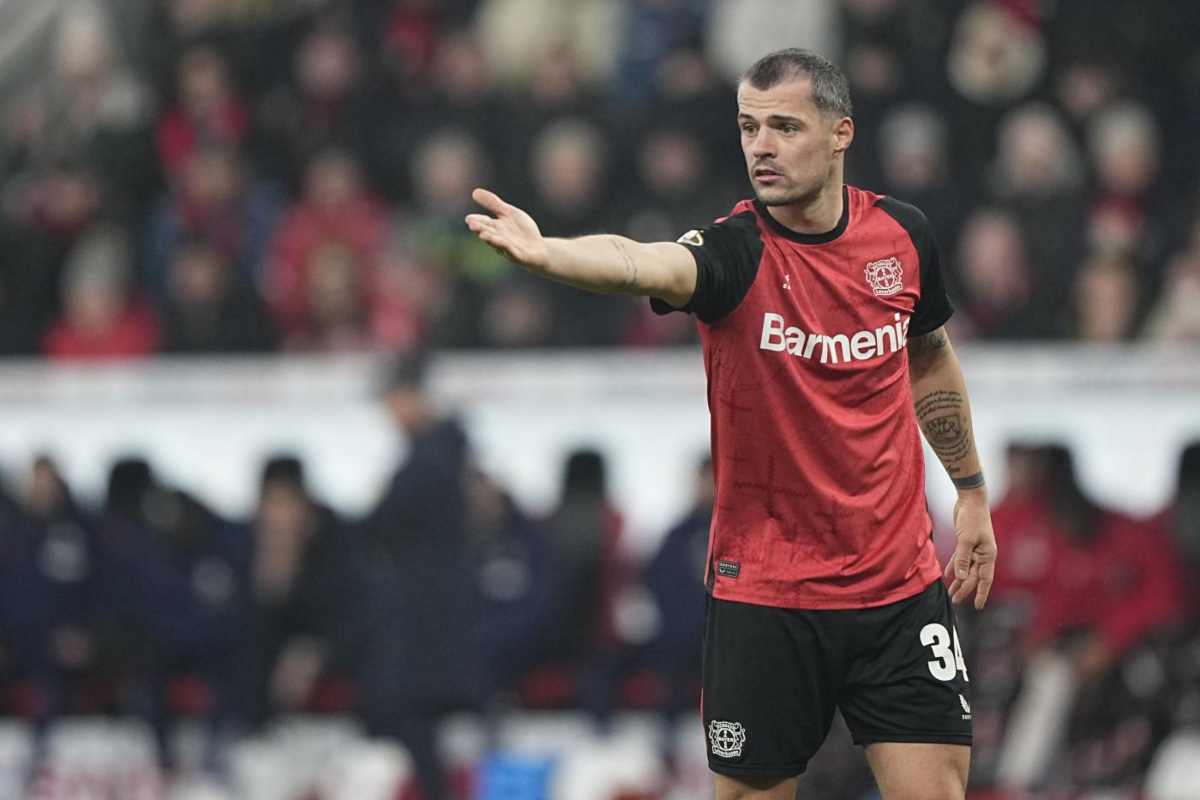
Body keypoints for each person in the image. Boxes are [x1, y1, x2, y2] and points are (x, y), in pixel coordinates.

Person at [466, 48, 997, 799]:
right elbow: (643, 262)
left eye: (785, 126)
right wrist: (550, 253)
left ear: (841, 132)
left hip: (897, 591)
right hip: (767, 597)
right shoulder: (734, 253)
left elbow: (930, 356)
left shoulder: (902, 238)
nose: (761, 147)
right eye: (749, 127)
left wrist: (970, 492)